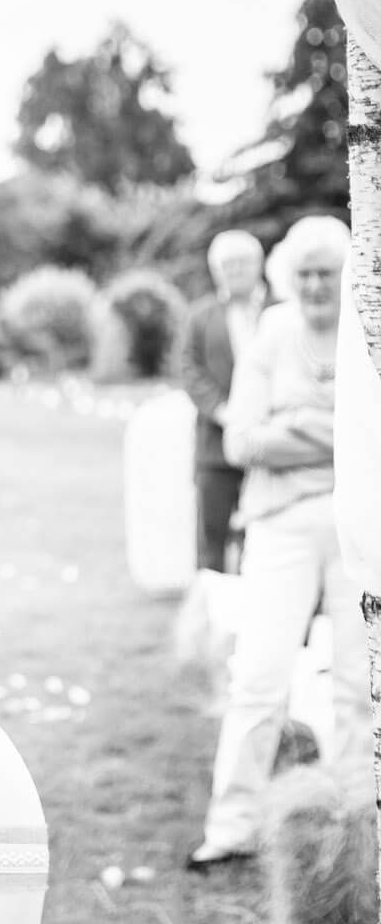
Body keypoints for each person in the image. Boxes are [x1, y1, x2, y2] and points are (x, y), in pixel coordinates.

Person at [188, 215, 367, 869]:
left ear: (347, 276)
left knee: (357, 683)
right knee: (260, 679)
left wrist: (291, 427)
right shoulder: (272, 333)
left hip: (357, 527)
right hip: (279, 523)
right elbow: (241, 440)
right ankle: (232, 826)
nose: (316, 284)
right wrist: (339, 431)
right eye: (306, 273)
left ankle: (356, 823)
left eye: (328, 272)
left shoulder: (366, 333)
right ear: (289, 277)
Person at [180, 230, 268, 575]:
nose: (234, 271)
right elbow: (189, 370)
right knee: (210, 537)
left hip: (270, 444)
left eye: (241, 263)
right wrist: (224, 411)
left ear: (258, 264)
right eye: (226, 265)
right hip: (215, 447)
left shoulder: (281, 310)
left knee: (262, 537)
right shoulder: (200, 316)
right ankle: (209, 600)